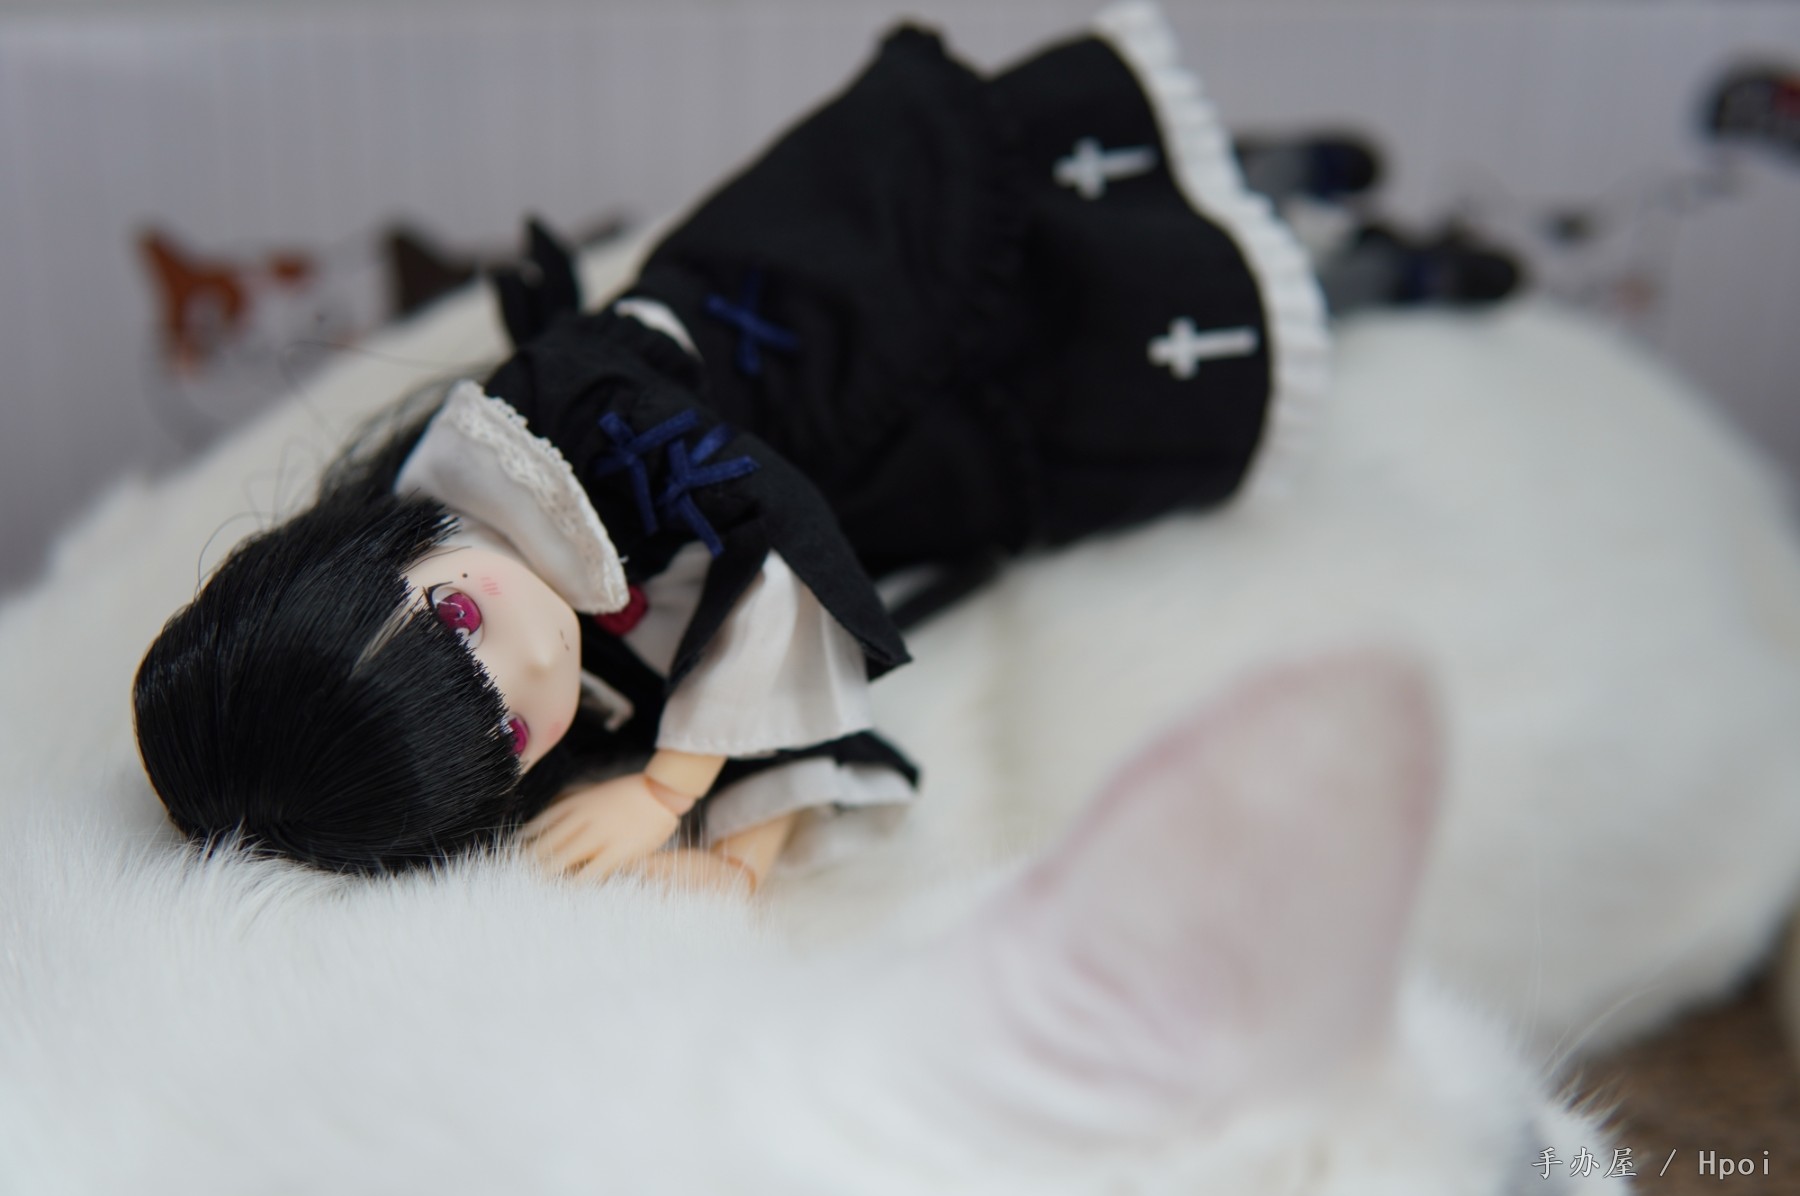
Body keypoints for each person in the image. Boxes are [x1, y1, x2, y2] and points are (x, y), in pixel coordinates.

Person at [132, 1, 1326, 889]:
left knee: (1032, 263)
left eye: (455, 618)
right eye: (508, 731)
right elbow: (775, 710)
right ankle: (1337, 278)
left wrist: (669, 786)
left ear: (368, 556)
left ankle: (1282, 193)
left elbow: (772, 548)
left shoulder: (556, 414)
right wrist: (734, 863)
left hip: (814, 316)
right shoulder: (581, 674)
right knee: (1084, 406)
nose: (535, 665)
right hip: (880, 468)